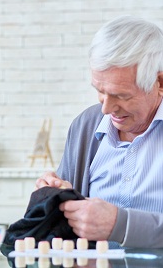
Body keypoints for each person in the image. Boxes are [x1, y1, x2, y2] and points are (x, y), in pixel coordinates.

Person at [36, 15, 163, 248]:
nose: (106, 108)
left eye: (121, 95)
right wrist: (54, 197)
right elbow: (60, 226)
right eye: (100, 91)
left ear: (160, 83)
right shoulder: (86, 124)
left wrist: (120, 224)